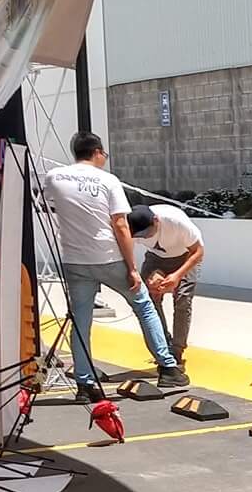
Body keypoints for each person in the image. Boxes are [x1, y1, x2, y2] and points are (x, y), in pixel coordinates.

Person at [43, 133, 188, 397]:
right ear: (97, 152)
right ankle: (168, 368)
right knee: (143, 306)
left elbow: (46, 203)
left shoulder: (54, 177)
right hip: (108, 256)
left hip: (75, 259)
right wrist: (132, 267)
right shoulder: (108, 180)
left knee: (81, 320)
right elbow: (121, 225)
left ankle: (85, 383)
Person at [127, 202, 205, 366]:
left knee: (182, 300)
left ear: (156, 220)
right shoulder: (130, 228)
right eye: (140, 235)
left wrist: (177, 276)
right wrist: (136, 272)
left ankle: (177, 349)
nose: (145, 237)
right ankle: (163, 344)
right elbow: (126, 250)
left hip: (186, 256)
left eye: (147, 232)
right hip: (155, 257)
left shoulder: (175, 222)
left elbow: (198, 251)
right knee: (149, 298)